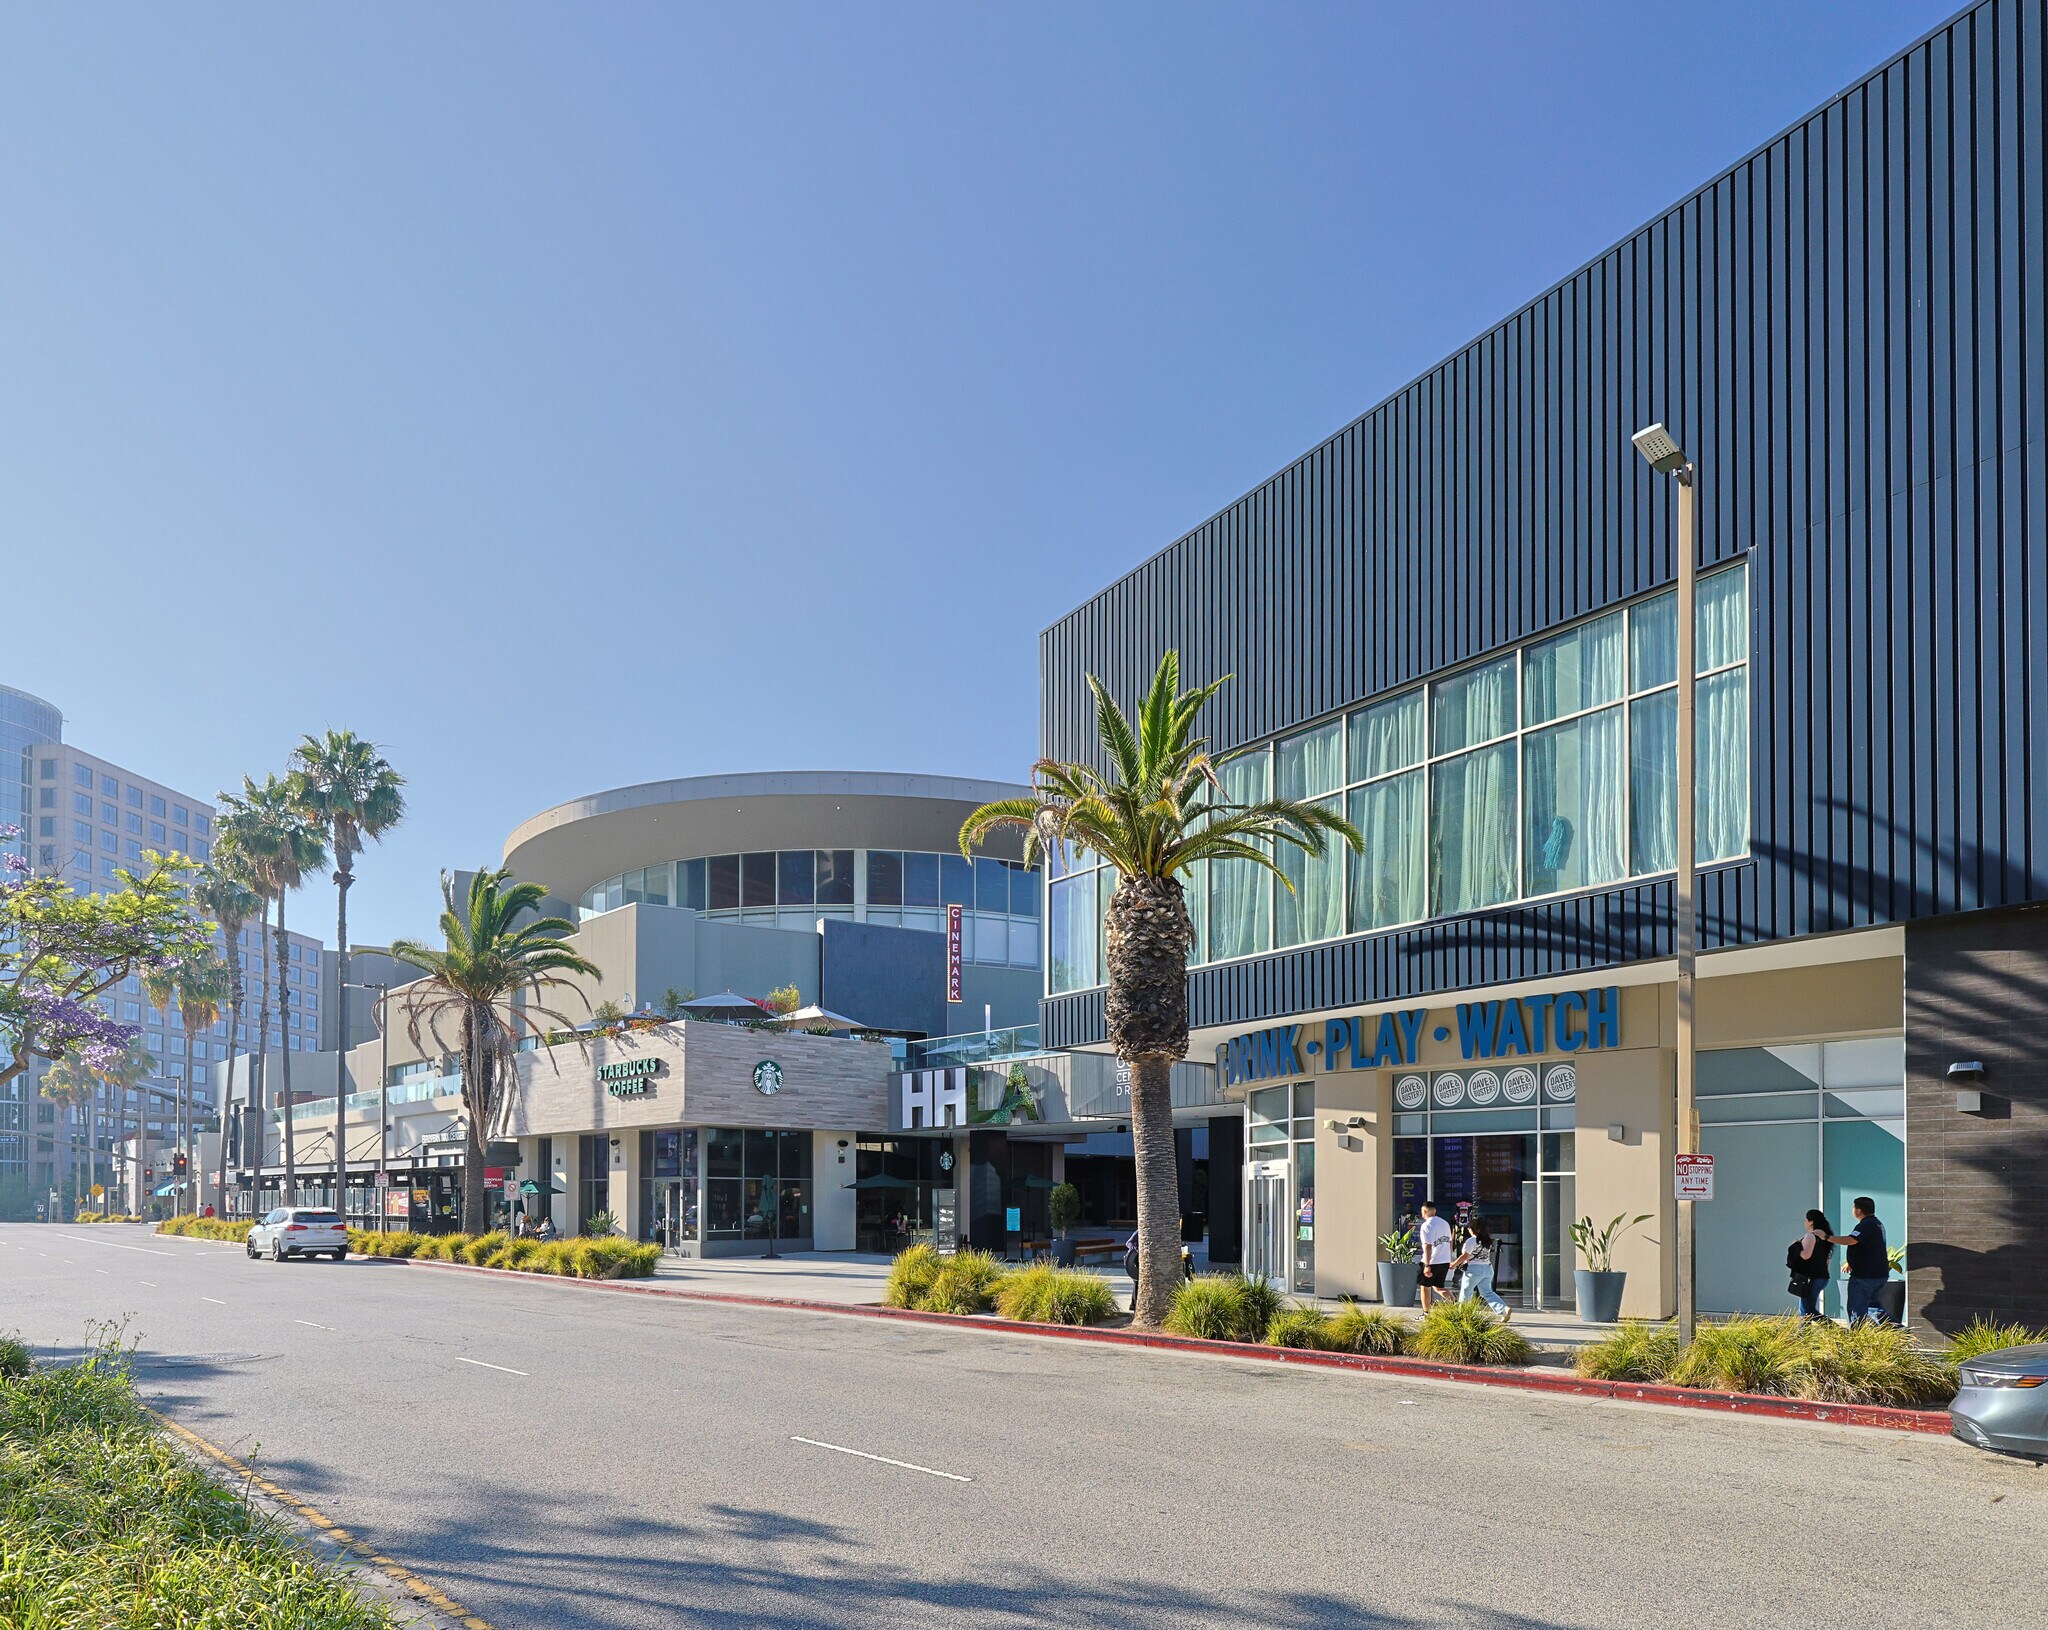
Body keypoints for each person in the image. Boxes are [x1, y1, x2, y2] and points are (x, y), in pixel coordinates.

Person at [1829, 1197, 1890, 1324]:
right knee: (1874, 1309)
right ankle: (1896, 1330)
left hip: (1864, 1277)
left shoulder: (1866, 1224)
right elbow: (1868, 1249)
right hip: (1877, 1274)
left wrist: (1827, 1238)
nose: (1852, 1210)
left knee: (1856, 1310)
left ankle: (1857, 1338)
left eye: (1853, 1208)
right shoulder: (1877, 1224)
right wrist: (1850, 1262)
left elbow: (1851, 1240)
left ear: (1859, 1210)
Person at [1453, 1216, 1511, 1320]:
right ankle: (1503, 1309)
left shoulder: (1471, 1241)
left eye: (1469, 1228)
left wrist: (1454, 1264)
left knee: (1466, 1291)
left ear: (1474, 1229)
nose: (1468, 1229)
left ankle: (1462, 1315)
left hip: (1474, 1270)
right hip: (1487, 1268)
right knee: (1488, 1292)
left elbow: (1465, 1256)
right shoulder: (1487, 1240)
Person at [1786, 1209, 1834, 1320]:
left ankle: (1834, 1330)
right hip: (1822, 1277)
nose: (1805, 1222)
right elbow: (1827, 1259)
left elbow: (1805, 1255)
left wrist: (1796, 1245)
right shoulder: (1824, 1237)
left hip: (1811, 1277)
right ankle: (1804, 1333)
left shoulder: (1810, 1236)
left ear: (1811, 1222)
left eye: (1806, 1220)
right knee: (1807, 1308)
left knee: (1806, 1310)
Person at [1416, 1200, 1454, 1310]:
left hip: (1432, 1261)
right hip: (1444, 1260)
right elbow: (1449, 1243)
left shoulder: (1426, 1225)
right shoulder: (1445, 1223)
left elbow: (1427, 1246)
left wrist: (1427, 1265)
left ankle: (1426, 1313)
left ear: (1425, 1211)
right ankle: (1454, 1303)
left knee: (1425, 1288)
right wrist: (1450, 1258)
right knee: (1439, 1287)